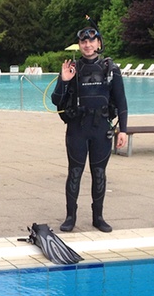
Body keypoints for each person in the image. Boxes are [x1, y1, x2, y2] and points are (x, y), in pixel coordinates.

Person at [51, 24, 128, 232]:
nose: (87, 45)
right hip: (78, 128)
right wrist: (64, 81)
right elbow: (56, 100)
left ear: (99, 43)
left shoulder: (110, 69)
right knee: (75, 172)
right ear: (80, 44)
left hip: (101, 128)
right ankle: (70, 217)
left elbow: (121, 102)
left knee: (99, 173)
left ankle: (98, 217)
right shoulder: (72, 69)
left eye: (91, 41)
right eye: (83, 41)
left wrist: (124, 130)